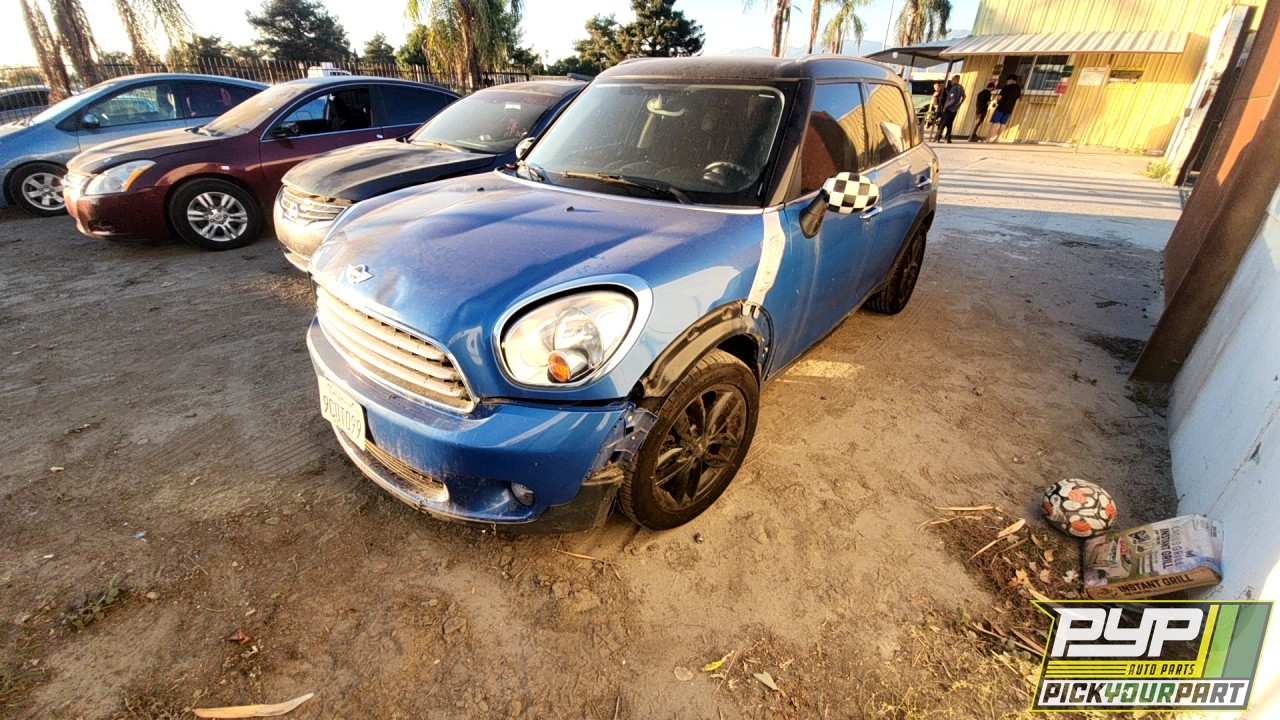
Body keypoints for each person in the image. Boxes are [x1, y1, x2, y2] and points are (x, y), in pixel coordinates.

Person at [986, 74, 1022, 143]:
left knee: (994, 123)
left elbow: (999, 97)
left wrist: (998, 102)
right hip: (1009, 109)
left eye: (1007, 81)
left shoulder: (1006, 87)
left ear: (1011, 80)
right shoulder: (1018, 88)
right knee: (1003, 124)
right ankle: (997, 139)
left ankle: (988, 139)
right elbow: (1018, 98)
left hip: (1001, 107)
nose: (1007, 82)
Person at [937, 74, 965, 143]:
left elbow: (952, 100)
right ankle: (948, 138)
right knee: (950, 124)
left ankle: (938, 137)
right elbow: (964, 96)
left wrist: (945, 107)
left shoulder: (954, 88)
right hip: (954, 110)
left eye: (952, 80)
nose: (952, 81)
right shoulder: (961, 88)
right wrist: (959, 104)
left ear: (956, 80)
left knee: (943, 123)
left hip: (949, 109)